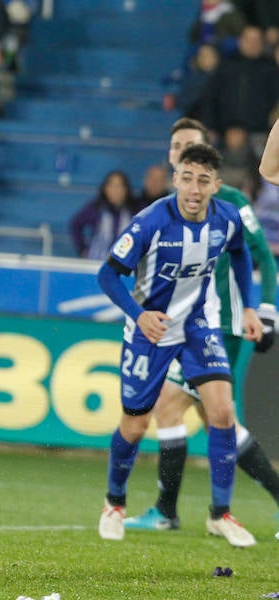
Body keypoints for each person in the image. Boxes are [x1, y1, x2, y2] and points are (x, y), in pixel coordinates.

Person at [96, 142, 263, 548]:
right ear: (175, 180)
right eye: (187, 178)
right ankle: (114, 502)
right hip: (150, 331)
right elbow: (107, 275)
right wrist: (140, 315)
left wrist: (249, 307)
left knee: (222, 412)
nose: (193, 188)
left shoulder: (226, 218)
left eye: (203, 181)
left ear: (215, 186)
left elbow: (241, 256)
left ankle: (220, 514)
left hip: (197, 326)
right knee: (135, 424)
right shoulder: (151, 220)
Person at [69, 170, 134, 260]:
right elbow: (75, 224)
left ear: (125, 190)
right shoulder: (96, 209)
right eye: (112, 186)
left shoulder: (134, 211)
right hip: (96, 263)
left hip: (125, 266)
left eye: (119, 186)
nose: (115, 190)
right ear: (105, 189)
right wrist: (82, 249)